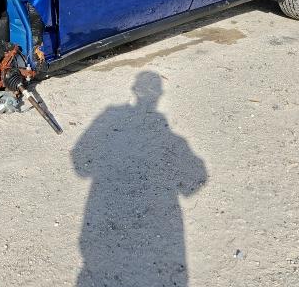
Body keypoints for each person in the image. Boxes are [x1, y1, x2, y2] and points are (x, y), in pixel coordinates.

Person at [72, 71, 207, 286]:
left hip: (100, 232)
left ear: (134, 90)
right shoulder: (172, 137)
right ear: (160, 94)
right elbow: (195, 181)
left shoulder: (108, 115)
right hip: (160, 241)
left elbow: (80, 166)